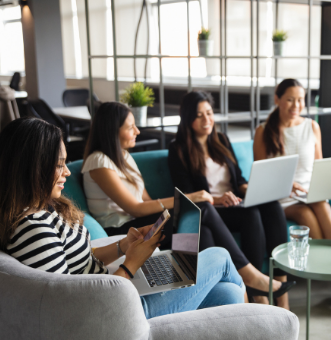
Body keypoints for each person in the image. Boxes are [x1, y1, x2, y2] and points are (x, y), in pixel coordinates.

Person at [0, 117, 246, 320]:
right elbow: (73, 307)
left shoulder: (44, 211)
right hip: (116, 310)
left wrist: (123, 246)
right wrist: (130, 265)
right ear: (32, 168)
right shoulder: (33, 228)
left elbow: (79, 264)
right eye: (58, 164)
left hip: (115, 289)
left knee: (228, 293)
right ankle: (261, 311)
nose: (66, 171)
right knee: (221, 257)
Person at [82, 101, 294, 307]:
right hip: (126, 230)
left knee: (203, 227)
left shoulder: (124, 157)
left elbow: (145, 200)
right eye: (130, 127)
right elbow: (134, 208)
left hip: (140, 222)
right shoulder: (98, 161)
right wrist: (188, 198)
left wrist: (183, 204)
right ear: (111, 130)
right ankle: (248, 276)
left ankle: (228, 297)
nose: (137, 131)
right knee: (201, 208)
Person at [168, 91, 294, 309]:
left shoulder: (222, 140)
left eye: (209, 113)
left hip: (235, 203)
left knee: (272, 205)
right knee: (250, 214)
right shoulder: (178, 150)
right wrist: (219, 199)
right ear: (188, 118)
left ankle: (277, 285)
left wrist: (257, 188)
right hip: (213, 209)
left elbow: (239, 181)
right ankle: (255, 284)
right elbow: (189, 196)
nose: (207, 120)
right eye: (199, 115)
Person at [253, 78, 331, 242]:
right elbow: (260, 178)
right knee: (304, 213)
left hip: (308, 193)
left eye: (300, 100)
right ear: (277, 99)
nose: (296, 106)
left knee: (322, 204)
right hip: (281, 198)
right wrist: (286, 184)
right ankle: (320, 263)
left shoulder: (312, 126)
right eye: (290, 100)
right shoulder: (262, 132)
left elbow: (318, 168)